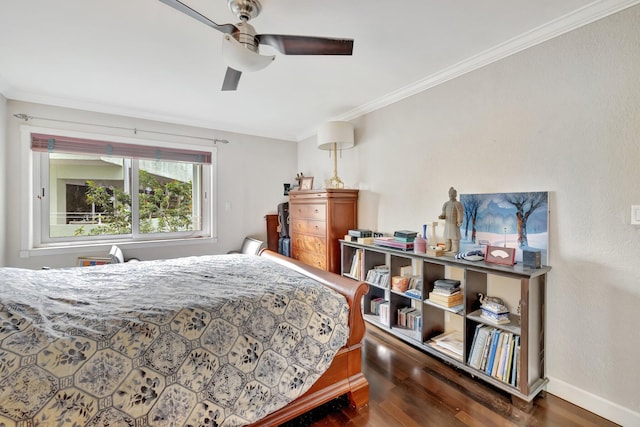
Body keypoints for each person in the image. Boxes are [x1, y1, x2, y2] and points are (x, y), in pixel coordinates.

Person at [439, 187, 464, 253]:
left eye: (453, 194)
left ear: (455, 195)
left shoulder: (458, 204)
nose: (451, 196)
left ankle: (455, 249)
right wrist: (442, 216)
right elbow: (443, 213)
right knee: (447, 237)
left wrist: (459, 221)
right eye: (450, 194)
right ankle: (448, 248)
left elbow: (460, 213)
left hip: (454, 224)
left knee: (454, 238)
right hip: (447, 224)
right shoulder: (446, 204)